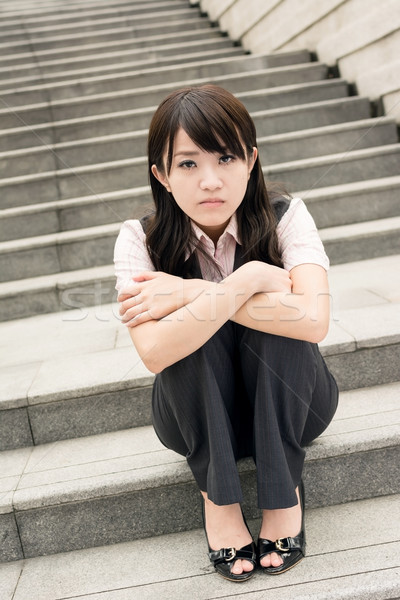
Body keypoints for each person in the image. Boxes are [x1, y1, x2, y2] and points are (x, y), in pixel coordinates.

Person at [114, 84, 339, 582]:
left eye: (226, 157)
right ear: (162, 175)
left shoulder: (286, 217)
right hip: (192, 415)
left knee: (273, 327)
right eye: (188, 164)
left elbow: (313, 320)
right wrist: (249, 282)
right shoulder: (139, 240)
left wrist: (191, 292)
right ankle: (219, 501)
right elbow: (152, 352)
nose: (210, 181)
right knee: (189, 335)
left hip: (295, 401)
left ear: (252, 160)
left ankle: (283, 500)